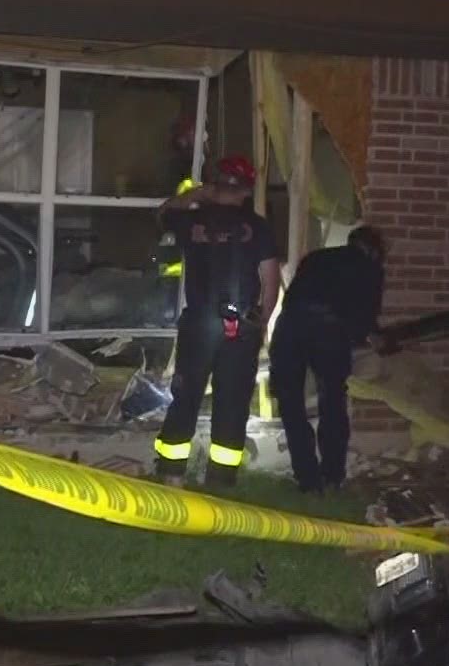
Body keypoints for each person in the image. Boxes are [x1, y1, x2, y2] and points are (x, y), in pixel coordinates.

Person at [152, 155, 282, 488]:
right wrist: (261, 322)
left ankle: (171, 476)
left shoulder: (190, 222)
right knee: (233, 400)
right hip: (243, 324)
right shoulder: (258, 227)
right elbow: (270, 281)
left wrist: (199, 194)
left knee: (187, 395)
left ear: (216, 183)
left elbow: (164, 211)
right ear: (247, 190)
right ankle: (220, 482)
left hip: (199, 321)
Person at [269, 226, 387, 494]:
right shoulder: (370, 268)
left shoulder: (316, 258)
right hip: (328, 332)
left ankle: (307, 479)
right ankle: (332, 475)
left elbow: (296, 297)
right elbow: (366, 319)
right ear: (373, 249)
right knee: (332, 401)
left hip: (289, 327)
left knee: (291, 404)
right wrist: (371, 337)